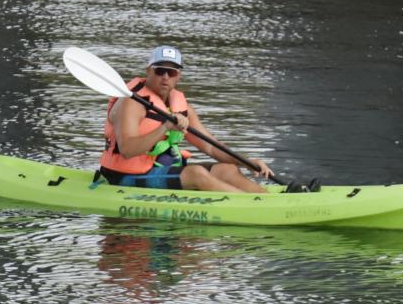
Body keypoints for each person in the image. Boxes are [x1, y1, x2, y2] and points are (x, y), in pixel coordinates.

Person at [96, 45, 272, 193]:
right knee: (196, 174)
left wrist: (246, 162)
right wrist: (165, 127)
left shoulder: (181, 106)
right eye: (160, 70)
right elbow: (127, 149)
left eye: (171, 72)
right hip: (123, 176)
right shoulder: (131, 103)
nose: (165, 77)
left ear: (177, 76)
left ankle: (268, 200)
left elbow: (210, 147)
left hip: (157, 168)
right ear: (149, 71)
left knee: (228, 169)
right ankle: (253, 208)